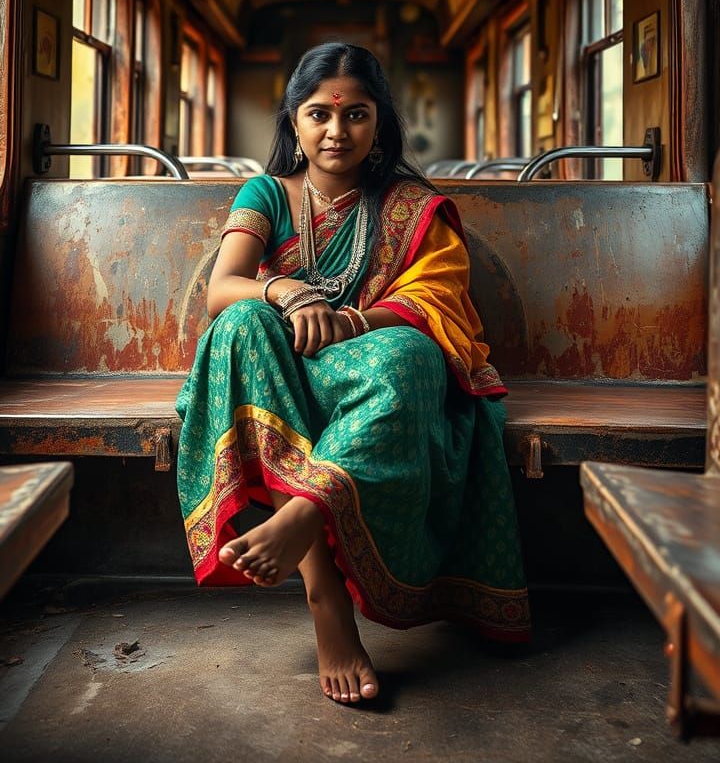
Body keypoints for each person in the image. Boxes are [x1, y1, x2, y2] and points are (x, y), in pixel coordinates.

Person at [176, 42, 529, 706]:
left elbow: (439, 299)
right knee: (238, 327)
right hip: (276, 372)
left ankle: (303, 513)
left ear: (380, 124)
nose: (337, 131)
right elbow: (222, 289)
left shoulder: (409, 205)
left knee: (411, 357)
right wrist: (284, 292)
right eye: (319, 115)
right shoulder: (268, 194)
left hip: (367, 374)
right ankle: (326, 600)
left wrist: (359, 324)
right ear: (293, 122)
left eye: (357, 115)